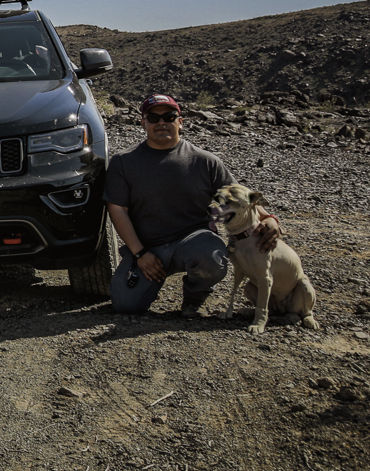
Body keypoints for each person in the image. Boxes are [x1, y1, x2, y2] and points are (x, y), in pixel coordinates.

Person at [106, 94, 280, 316]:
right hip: (147, 247)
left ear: (180, 122)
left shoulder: (205, 161)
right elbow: (117, 209)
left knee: (212, 257)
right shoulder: (123, 161)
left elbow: (238, 197)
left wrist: (268, 218)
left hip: (194, 241)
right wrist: (140, 253)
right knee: (125, 306)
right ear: (143, 122)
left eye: (169, 117)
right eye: (153, 117)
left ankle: (194, 298)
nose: (161, 122)